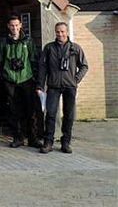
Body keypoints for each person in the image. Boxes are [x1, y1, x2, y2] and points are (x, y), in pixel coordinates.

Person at [37, 22, 88, 154]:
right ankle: (48, 142)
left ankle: (66, 142)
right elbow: (43, 68)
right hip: (53, 85)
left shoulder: (75, 48)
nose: (60, 34)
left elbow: (84, 66)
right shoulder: (49, 48)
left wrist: (75, 79)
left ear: (67, 32)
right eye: (58, 32)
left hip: (70, 86)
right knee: (51, 114)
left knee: (69, 115)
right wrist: (40, 85)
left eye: (62, 32)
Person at [0, 15, 42, 148]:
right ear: (8, 26)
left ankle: (33, 138)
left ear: (21, 25)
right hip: (9, 80)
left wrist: (35, 79)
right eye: (12, 25)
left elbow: (34, 60)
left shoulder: (28, 42)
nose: (14, 28)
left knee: (31, 110)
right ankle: (18, 137)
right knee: (13, 111)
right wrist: (2, 77)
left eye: (16, 25)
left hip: (26, 79)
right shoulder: (3, 42)